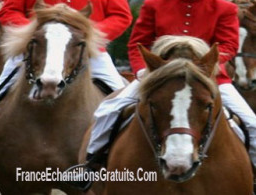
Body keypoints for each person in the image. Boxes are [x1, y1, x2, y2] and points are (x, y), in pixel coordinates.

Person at [69, 0, 256, 190]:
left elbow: (229, 45)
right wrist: (144, 70)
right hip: (158, 76)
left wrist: (200, 65)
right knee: (109, 109)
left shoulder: (225, 8)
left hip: (208, 77)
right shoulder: (154, 5)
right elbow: (138, 43)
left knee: (251, 123)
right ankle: (90, 165)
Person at [0, 0, 132, 169]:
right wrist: (36, 31)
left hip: (87, 48)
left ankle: (122, 151)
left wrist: (86, 33)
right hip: (36, 46)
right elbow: (8, 11)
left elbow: (121, 16)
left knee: (122, 97)